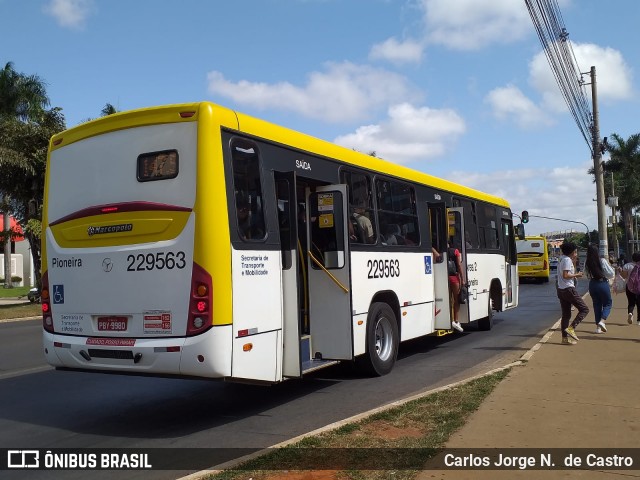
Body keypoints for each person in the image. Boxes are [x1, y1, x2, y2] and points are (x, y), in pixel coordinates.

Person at [556, 241, 589, 344]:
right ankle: (571, 328)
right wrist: (577, 275)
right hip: (568, 289)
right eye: (575, 252)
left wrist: (573, 262)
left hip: (561, 289)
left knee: (566, 315)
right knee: (584, 309)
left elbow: (565, 273)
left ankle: (564, 339)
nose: (576, 253)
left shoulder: (562, 259)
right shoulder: (567, 260)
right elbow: (566, 275)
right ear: (572, 252)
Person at [584, 244, 615, 334]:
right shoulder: (602, 261)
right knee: (608, 303)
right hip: (602, 283)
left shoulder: (587, 262)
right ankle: (602, 321)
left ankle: (598, 328)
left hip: (592, 284)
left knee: (597, 305)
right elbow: (610, 274)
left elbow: (587, 274)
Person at [447, 242, 465, 333]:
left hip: (446, 278)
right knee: (456, 299)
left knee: (449, 300)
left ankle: (449, 319)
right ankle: (456, 321)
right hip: (454, 278)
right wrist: (462, 278)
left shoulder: (443, 252)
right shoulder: (456, 251)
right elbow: (459, 265)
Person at [621, 252, 640, 324]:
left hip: (629, 287)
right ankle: (639, 321)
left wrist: (620, 271)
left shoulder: (627, 266)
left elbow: (624, 277)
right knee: (639, 304)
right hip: (639, 288)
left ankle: (630, 313)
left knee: (631, 302)